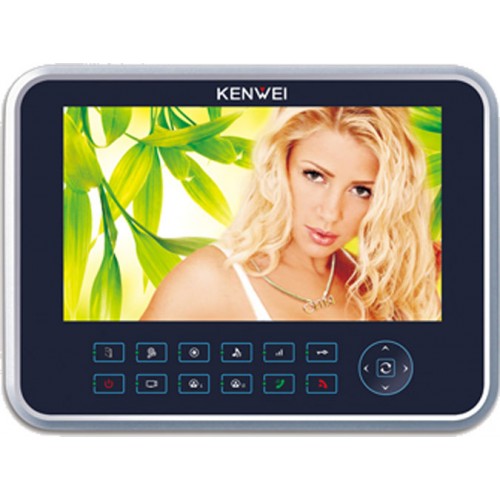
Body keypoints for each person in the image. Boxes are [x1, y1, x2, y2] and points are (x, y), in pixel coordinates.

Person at [141, 107, 441, 321]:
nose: (330, 212)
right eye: (315, 176)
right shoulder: (207, 278)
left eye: (361, 190)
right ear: (280, 166)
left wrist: (419, 292)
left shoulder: (371, 286)